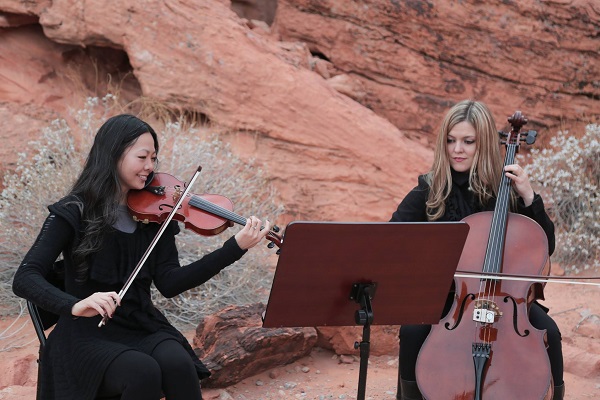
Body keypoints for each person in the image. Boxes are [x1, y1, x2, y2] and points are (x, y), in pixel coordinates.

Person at [12, 114, 272, 400]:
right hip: (84, 334)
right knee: (142, 371)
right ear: (113, 155)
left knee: (179, 364)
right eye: (142, 157)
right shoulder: (73, 211)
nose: (150, 167)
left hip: (140, 325)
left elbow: (170, 282)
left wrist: (234, 248)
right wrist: (75, 305)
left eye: (154, 158)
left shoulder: (154, 215)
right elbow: (25, 277)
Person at [390, 100, 564, 400]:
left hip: (507, 301)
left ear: (482, 143)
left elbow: (544, 245)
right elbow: (394, 237)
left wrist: (528, 196)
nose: (457, 149)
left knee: (551, 333)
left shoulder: (504, 189)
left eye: (468, 141)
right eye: (451, 140)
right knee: (412, 332)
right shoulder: (431, 189)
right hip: (450, 301)